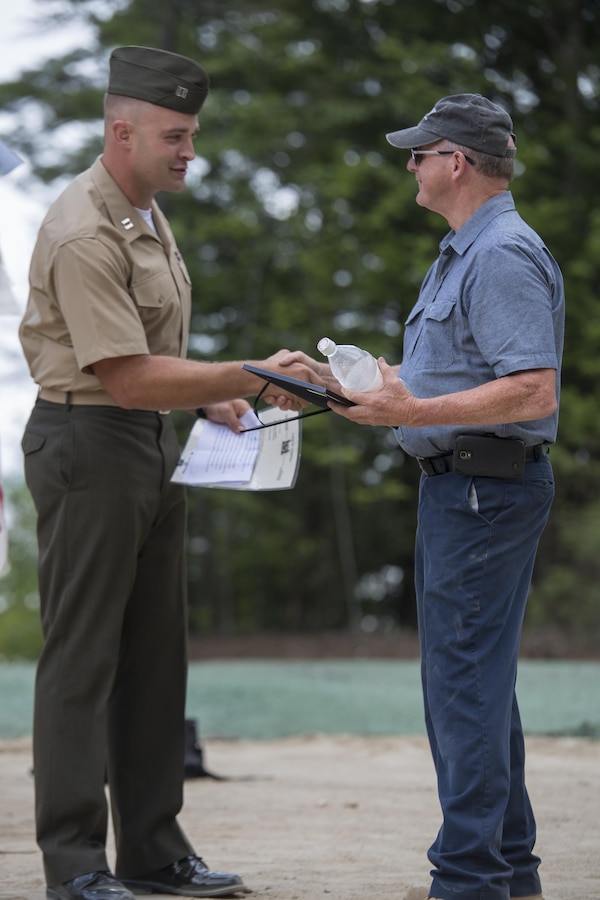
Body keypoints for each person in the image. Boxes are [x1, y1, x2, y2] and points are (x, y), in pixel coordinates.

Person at [19, 45, 322, 900]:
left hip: (149, 442)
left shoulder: (145, 210)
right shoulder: (84, 227)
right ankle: (74, 867)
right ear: (123, 130)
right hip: (89, 445)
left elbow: (149, 357)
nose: (191, 150)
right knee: (84, 660)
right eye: (176, 135)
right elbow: (121, 374)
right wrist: (248, 378)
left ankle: (152, 852)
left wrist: (204, 401)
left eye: (193, 134)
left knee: (156, 658)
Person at [285, 94, 565, 900]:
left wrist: (408, 411)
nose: (408, 165)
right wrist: (352, 383)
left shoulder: (500, 253)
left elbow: (530, 389)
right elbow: (459, 379)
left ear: (458, 162)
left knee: (462, 687)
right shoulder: (464, 251)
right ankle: (508, 875)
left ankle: (470, 881)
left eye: (420, 152)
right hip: (469, 488)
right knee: (478, 683)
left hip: (483, 486)